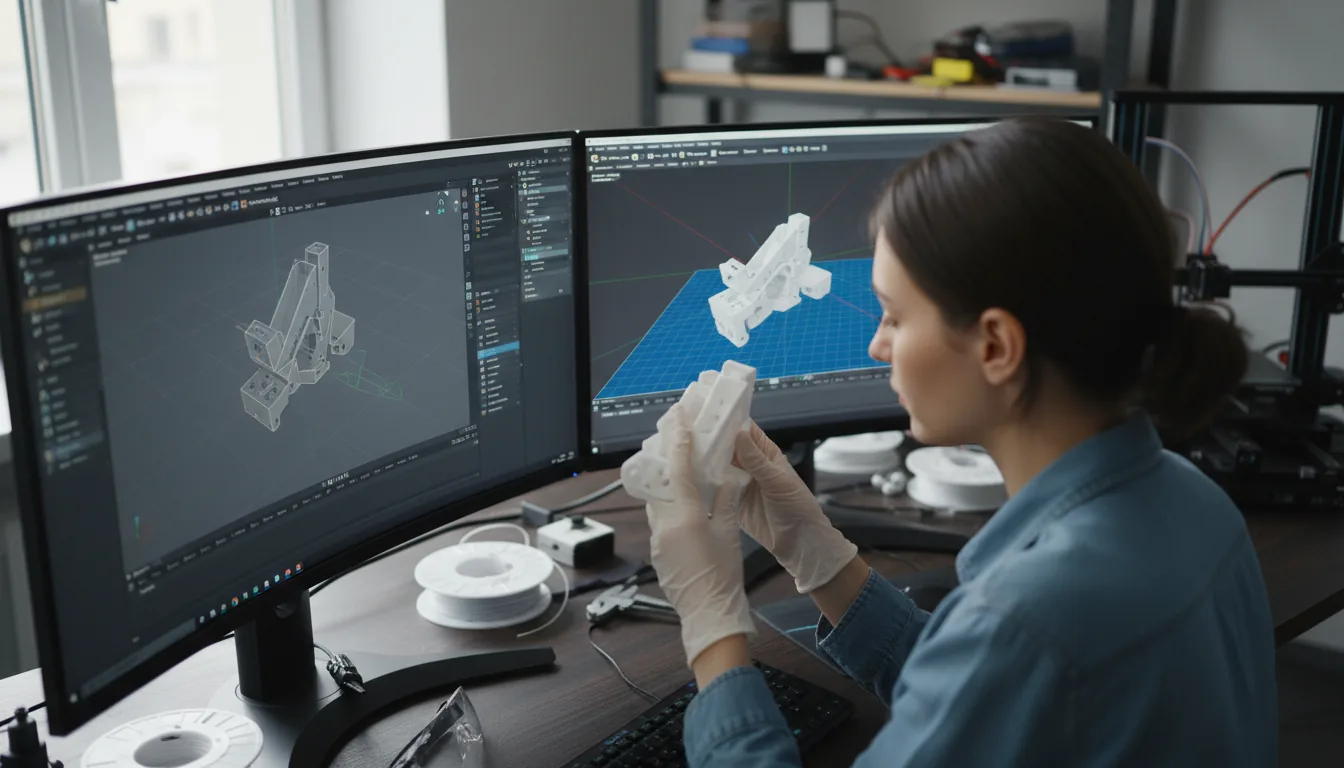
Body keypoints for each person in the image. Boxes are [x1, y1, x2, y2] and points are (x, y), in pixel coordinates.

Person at [644, 117, 1278, 767]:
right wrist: (815, 549)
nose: (876, 345)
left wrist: (713, 625)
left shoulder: (1029, 619)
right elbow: (986, 692)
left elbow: (1004, 660)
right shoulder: (1193, 498)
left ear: (997, 346)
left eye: (894, 315)